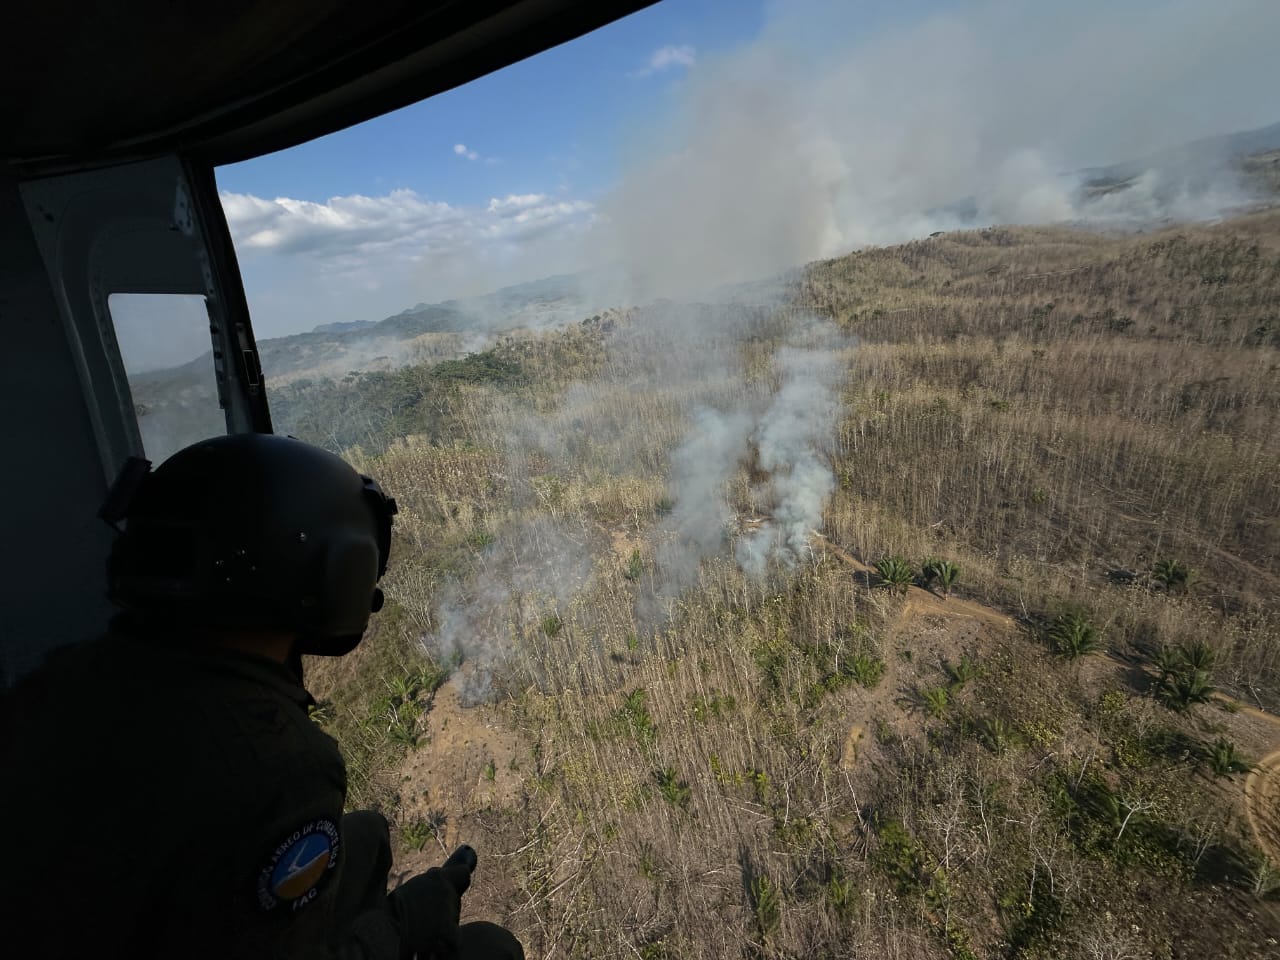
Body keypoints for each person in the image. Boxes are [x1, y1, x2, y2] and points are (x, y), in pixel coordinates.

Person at [0, 433, 523, 960]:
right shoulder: (278, 764)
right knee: (489, 947)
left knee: (367, 837)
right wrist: (406, 919)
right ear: (335, 577)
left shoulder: (61, 675)